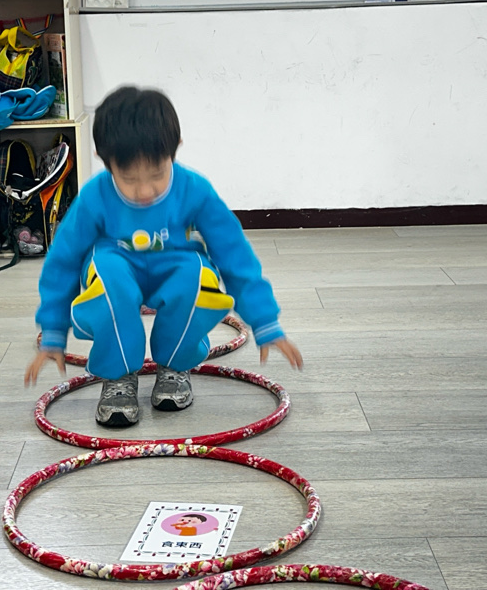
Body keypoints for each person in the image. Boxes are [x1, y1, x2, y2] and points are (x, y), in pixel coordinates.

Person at [24, 86, 302, 426]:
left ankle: (174, 365)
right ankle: (118, 375)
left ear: (175, 150)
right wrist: (53, 331)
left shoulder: (194, 189)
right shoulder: (95, 196)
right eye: (128, 178)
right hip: (117, 267)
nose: (144, 191)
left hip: (173, 264)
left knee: (195, 277)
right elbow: (63, 262)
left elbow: (235, 255)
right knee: (109, 278)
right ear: (104, 160)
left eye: (156, 174)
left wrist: (265, 321)